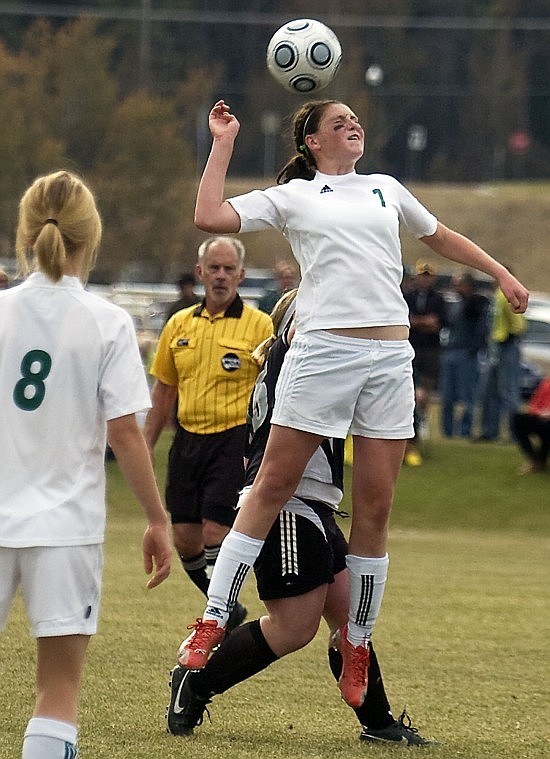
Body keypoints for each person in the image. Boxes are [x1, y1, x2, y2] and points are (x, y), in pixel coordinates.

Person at [180, 98, 529, 710]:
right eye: (337, 122)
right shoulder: (296, 196)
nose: (353, 125)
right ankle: (212, 620)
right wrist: (224, 140)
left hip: (390, 358)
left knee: (376, 505)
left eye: (354, 119)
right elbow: (209, 215)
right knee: (272, 485)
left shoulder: (385, 188)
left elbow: (441, 236)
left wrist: (501, 273)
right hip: (326, 352)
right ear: (313, 142)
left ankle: (358, 642)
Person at [166, 289, 432, 745]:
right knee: (294, 628)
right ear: (296, 327)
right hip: (288, 504)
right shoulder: (299, 359)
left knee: (350, 619)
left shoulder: (299, 361)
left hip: (313, 503)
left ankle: (379, 724)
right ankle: (194, 682)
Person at [0, 170, 172, 759]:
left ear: (26, 234)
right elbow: (125, 432)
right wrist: (157, 519)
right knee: (58, 691)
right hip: (65, 530)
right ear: (90, 237)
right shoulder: (106, 322)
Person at [144, 236, 272, 631]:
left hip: (233, 440)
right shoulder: (179, 325)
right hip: (187, 440)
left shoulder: (259, 325)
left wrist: (264, 444)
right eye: (213, 268)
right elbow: (165, 388)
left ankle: (217, 614)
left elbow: (274, 389)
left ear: (241, 275)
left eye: (228, 269)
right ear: (199, 273)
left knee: (216, 529)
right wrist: (144, 444)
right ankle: (226, 607)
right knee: (185, 537)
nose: (220, 276)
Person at [403, 259, 447, 464]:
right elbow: (406, 321)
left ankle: (420, 427)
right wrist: (423, 322)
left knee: (424, 392)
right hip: (410, 347)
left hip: (430, 350)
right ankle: (408, 431)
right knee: (407, 390)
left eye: (428, 276)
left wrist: (417, 322)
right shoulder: (407, 297)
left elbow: (439, 323)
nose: (425, 279)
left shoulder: (439, 299)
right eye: (422, 275)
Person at [477, 274, 527, 441]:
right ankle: (490, 431)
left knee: (508, 391)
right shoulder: (498, 295)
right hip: (496, 348)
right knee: (490, 391)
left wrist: (507, 338)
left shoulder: (507, 294)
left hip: (506, 347)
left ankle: (516, 433)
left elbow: (518, 324)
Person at [439, 272, 489, 437]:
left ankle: (465, 430)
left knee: (468, 394)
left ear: (468, 285)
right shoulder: (454, 305)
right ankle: (447, 430)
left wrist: (474, 349)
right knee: (446, 394)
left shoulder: (477, 304)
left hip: (466, 352)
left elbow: (482, 330)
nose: (455, 288)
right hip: (450, 350)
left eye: (458, 284)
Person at [511, 375, 550, 474]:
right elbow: (534, 404)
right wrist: (539, 412)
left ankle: (541, 458)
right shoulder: (546, 383)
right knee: (519, 419)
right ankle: (534, 460)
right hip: (542, 417)